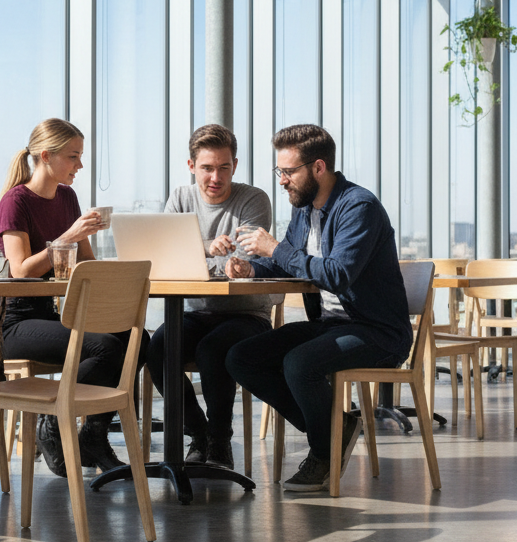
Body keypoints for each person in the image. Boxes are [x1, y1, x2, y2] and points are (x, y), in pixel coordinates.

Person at [225, 124, 413, 492]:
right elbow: (285, 262)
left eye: (289, 171)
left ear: (318, 168)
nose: (282, 181)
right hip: (331, 325)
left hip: (377, 331)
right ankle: (336, 429)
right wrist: (253, 266)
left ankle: (323, 451)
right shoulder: (305, 209)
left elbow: (338, 274)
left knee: (299, 363)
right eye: (279, 171)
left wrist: (275, 248)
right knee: (241, 357)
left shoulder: (359, 207)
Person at [0, 117, 147, 477]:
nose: (80, 165)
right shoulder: (15, 201)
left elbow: (87, 263)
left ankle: (92, 434)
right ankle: (54, 418)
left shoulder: (67, 197)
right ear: (46, 156)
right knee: (106, 349)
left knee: (139, 341)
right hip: (18, 322)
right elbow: (20, 270)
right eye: (73, 156)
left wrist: (121, 266)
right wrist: (68, 237)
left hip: (59, 313)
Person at [145, 123, 276, 471]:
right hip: (196, 313)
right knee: (157, 348)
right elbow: (166, 258)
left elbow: (244, 264)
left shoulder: (254, 199)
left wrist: (197, 257)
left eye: (224, 167)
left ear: (235, 165)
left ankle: (219, 440)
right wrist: (206, 249)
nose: (215, 176)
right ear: (192, 167)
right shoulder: (180, 199)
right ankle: (197, 434)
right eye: (207, 168)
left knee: (212, 349)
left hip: (247, 316)